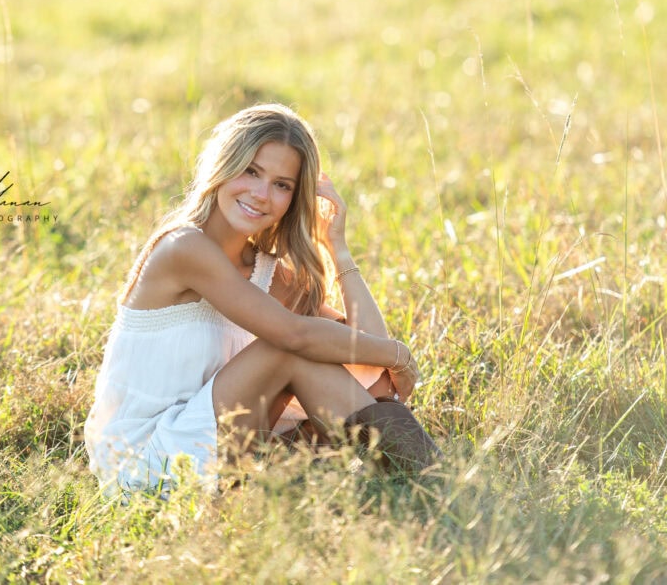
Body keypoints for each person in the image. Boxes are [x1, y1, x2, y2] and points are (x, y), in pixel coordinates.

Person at [84, 103, 440, 496]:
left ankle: (422, 486)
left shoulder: (267, 274)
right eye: (251, 171)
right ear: (223, 164)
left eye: (282, 185)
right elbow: (297, 337)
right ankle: (431, 483)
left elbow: (372, 367)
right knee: (288, 348)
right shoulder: (183, 248)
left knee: (315, 353)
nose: (261, 194)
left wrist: (338, 248)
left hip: (214, 453)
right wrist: (399, 355)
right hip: (143, 461)